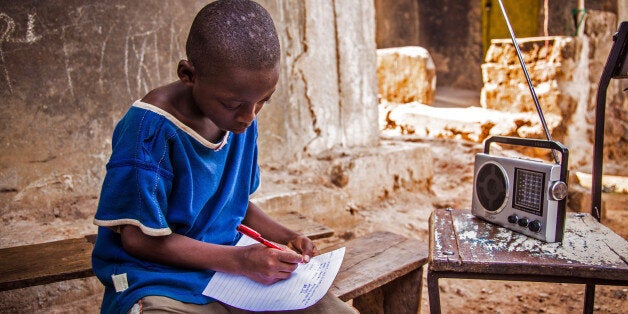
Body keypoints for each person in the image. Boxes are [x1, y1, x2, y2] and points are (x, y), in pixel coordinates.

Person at [91, 1, 356, 313]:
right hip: (158, 276)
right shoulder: (150, 130)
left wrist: (287, 236)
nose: (249, 116)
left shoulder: (240, 117)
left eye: (263, 102)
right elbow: (138, 240)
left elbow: (234, 202)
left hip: (227, 270)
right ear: (188, 74)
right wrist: (240, 260)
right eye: (234, 104)